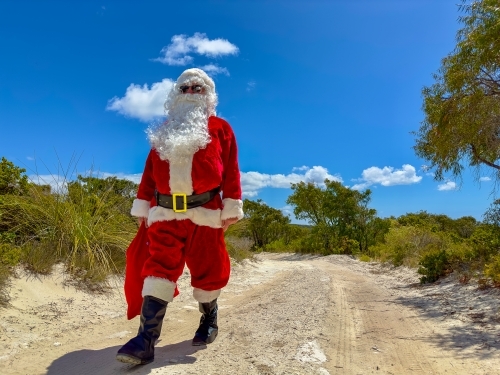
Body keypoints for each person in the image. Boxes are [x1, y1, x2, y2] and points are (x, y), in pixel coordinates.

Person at [116, 68, 243, 365]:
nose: (190, 93)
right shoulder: (163, 131)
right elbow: (149, 173)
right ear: (177, 93)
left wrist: (231, 205)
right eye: (185, 88)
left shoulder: (221, 128)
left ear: (207, 94)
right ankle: (145, 340)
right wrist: (142, 206)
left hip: (206, 212)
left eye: (197, 88)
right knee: (158, 268)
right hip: (164, 212)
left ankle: (209, 318)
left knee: (208, 268)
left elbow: (232, 168)